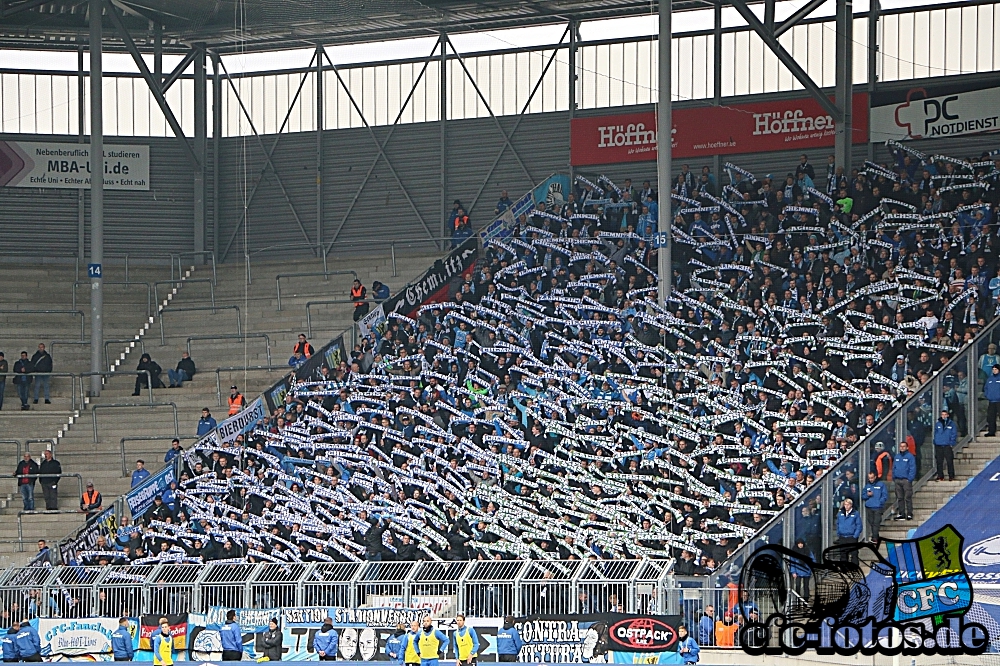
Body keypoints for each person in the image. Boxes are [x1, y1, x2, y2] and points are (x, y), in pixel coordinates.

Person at [862, 471, 887, 543]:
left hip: (878, 507)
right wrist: (867, 495)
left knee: (876, 523)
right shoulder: (867, 486)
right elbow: (863, 496)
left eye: (872, 478)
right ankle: (876, 536)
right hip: (869, 507)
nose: (871, 479)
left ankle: (874, 538)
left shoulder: (881, 484)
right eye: (869, 478)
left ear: (875, 477)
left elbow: (885, 495)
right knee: (871, 522)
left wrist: (880, 502)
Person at [893, 441, 915, 521]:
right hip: (897, 479)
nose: (902, 448)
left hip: (906, 480)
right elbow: (894, 467)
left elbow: (912, 468)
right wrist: (894, 477)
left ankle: (909, 513)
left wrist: (910, 479)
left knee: (908, 497)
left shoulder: (910, 456)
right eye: (901, 446)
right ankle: (902, 513)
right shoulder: (897, 456)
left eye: (904, 446)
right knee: (899, 498)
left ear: (907, 447)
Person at [933, 408, 957, 481]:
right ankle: (940, 475)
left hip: (947, 445)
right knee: (939, 461)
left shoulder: (951, 424)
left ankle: (951, 475)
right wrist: (935, 441)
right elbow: (935, 433)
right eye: (942, 415)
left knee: (949, 461)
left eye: (945, 414)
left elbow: (954, 434)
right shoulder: (938, 424)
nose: (944, 416)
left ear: (948, 415)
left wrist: (951, 443)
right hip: (939, 445)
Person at [835, 498, 862, 563]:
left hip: (851, 536)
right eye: (845, 504)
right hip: (842, 536)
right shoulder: (840, 513)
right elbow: (837, 523)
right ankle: (844, 568)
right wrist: (838, 533)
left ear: (851, 505)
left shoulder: (855, 513)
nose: (846, 506)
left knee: (854, 554)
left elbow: (859, 525)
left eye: (848, 505)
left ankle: (854, 568)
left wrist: (855, 536)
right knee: (843, 554)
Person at [985, 364, 1000, 436]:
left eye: (996, 369)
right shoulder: (989, 379)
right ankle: (991, 431)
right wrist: (987, 395)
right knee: (991, 417)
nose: (994, 371)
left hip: (999, 401)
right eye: (993, 369)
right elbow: (986, 388)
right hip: (991, 401)